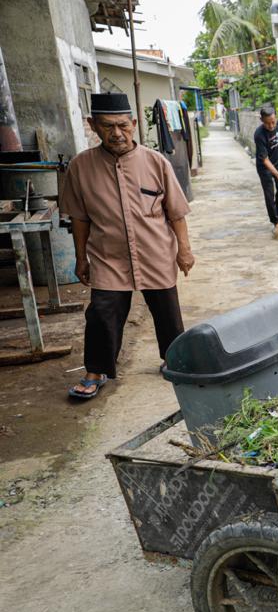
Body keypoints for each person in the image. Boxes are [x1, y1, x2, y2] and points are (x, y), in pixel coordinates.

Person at [63, 93, 195, 399]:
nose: (117, 133)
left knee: (167, 312)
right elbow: (80, 219)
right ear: (93, 125)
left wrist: (184, 249)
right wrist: (80, 258)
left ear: (134, 124)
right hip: (108, 256)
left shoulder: (155, 162)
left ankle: (173, 359)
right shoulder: (80, 167)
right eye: (108, 126)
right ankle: (96, 370)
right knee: (101, 312)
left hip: (155, 251)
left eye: (123, 125)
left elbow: (176, 212)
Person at [254, 106, 278, 226]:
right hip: (265, 168)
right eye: (267, 123)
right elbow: (265, 160)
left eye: (273, 122)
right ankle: (276, 222)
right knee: (269, 195)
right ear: (261, 120)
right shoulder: (259, 134)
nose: (271, 126)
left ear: (276, 117)